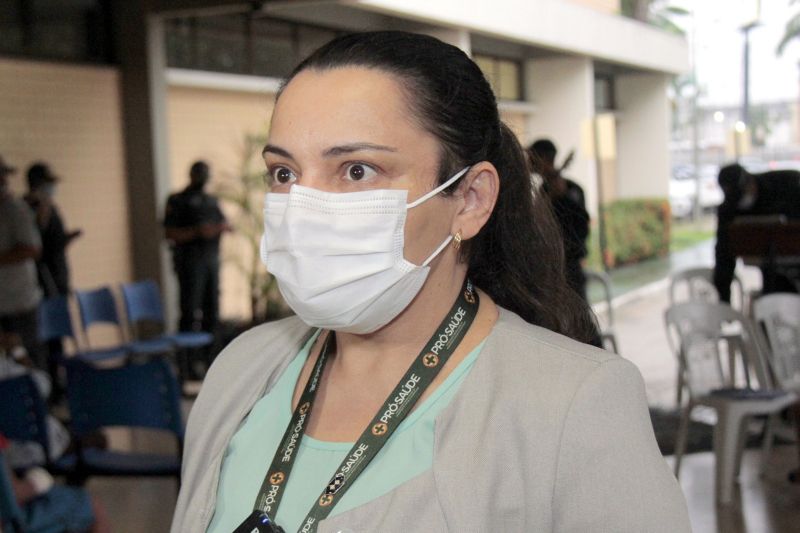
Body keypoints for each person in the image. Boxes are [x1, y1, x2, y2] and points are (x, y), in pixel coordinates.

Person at [172, 32, 689, 533]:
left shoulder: (573, 403)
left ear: (469, 200)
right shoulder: (240, 371)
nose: (304, 209)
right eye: (284, 173)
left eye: (357, 171)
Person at [713, 163, 800, 303]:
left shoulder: (787, 187)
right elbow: (723, 254)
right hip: (772, 272)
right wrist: (724, 301)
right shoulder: (729, 210)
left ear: (750, 183)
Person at [164, 161, 230, 335]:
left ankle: (211, 356)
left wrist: (218, 229)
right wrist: (197, 232)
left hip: (210, 262)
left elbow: (224, 224)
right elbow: (170, 233)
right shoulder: (178, 200)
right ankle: (188, 359)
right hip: (189, 263)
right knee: (189, 310)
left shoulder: (210, 201)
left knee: (212, 311)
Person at [528, 139, 590, 301]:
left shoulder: (572, 190)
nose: (528, 163)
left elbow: (581, 229)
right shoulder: (543, 190)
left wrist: (562, 199)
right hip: (547, 274)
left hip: (569, 275)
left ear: (545, 160)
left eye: (533, 158)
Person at [0, 155, 44, 370]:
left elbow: (31, 249)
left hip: (19, 304)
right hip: (2, 304)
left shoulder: (14, 210)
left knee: (29, 367)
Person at [24, 162, 82, 297]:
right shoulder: (28, 207)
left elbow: (54, 239)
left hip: (58, 271)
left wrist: (67, 238)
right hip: (46, 276)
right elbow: (36, 240)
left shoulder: (50, 206)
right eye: (47, 183)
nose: (52, 188)